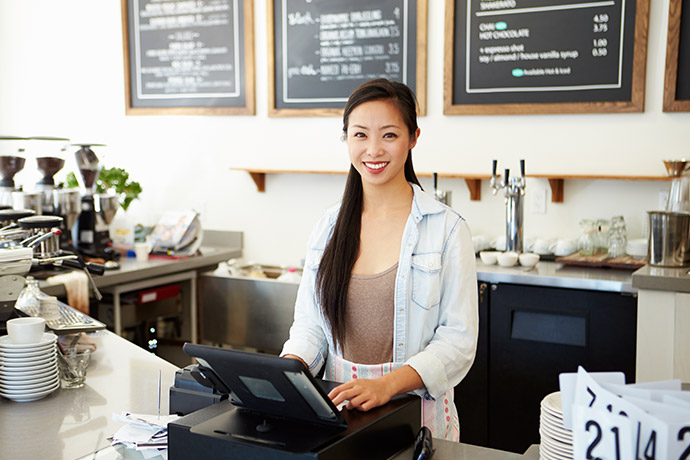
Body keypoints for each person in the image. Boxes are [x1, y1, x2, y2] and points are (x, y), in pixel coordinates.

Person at [281, 78, 478, 441]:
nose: (373, 150)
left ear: (413, 137)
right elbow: (311, 325)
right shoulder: (329, 227)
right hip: (342, 418)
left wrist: (386, 385)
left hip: (417, 419)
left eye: (389, 135)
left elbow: (458, 341)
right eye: (360, 135)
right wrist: (287, 372)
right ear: (347, 139)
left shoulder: (447, 230)